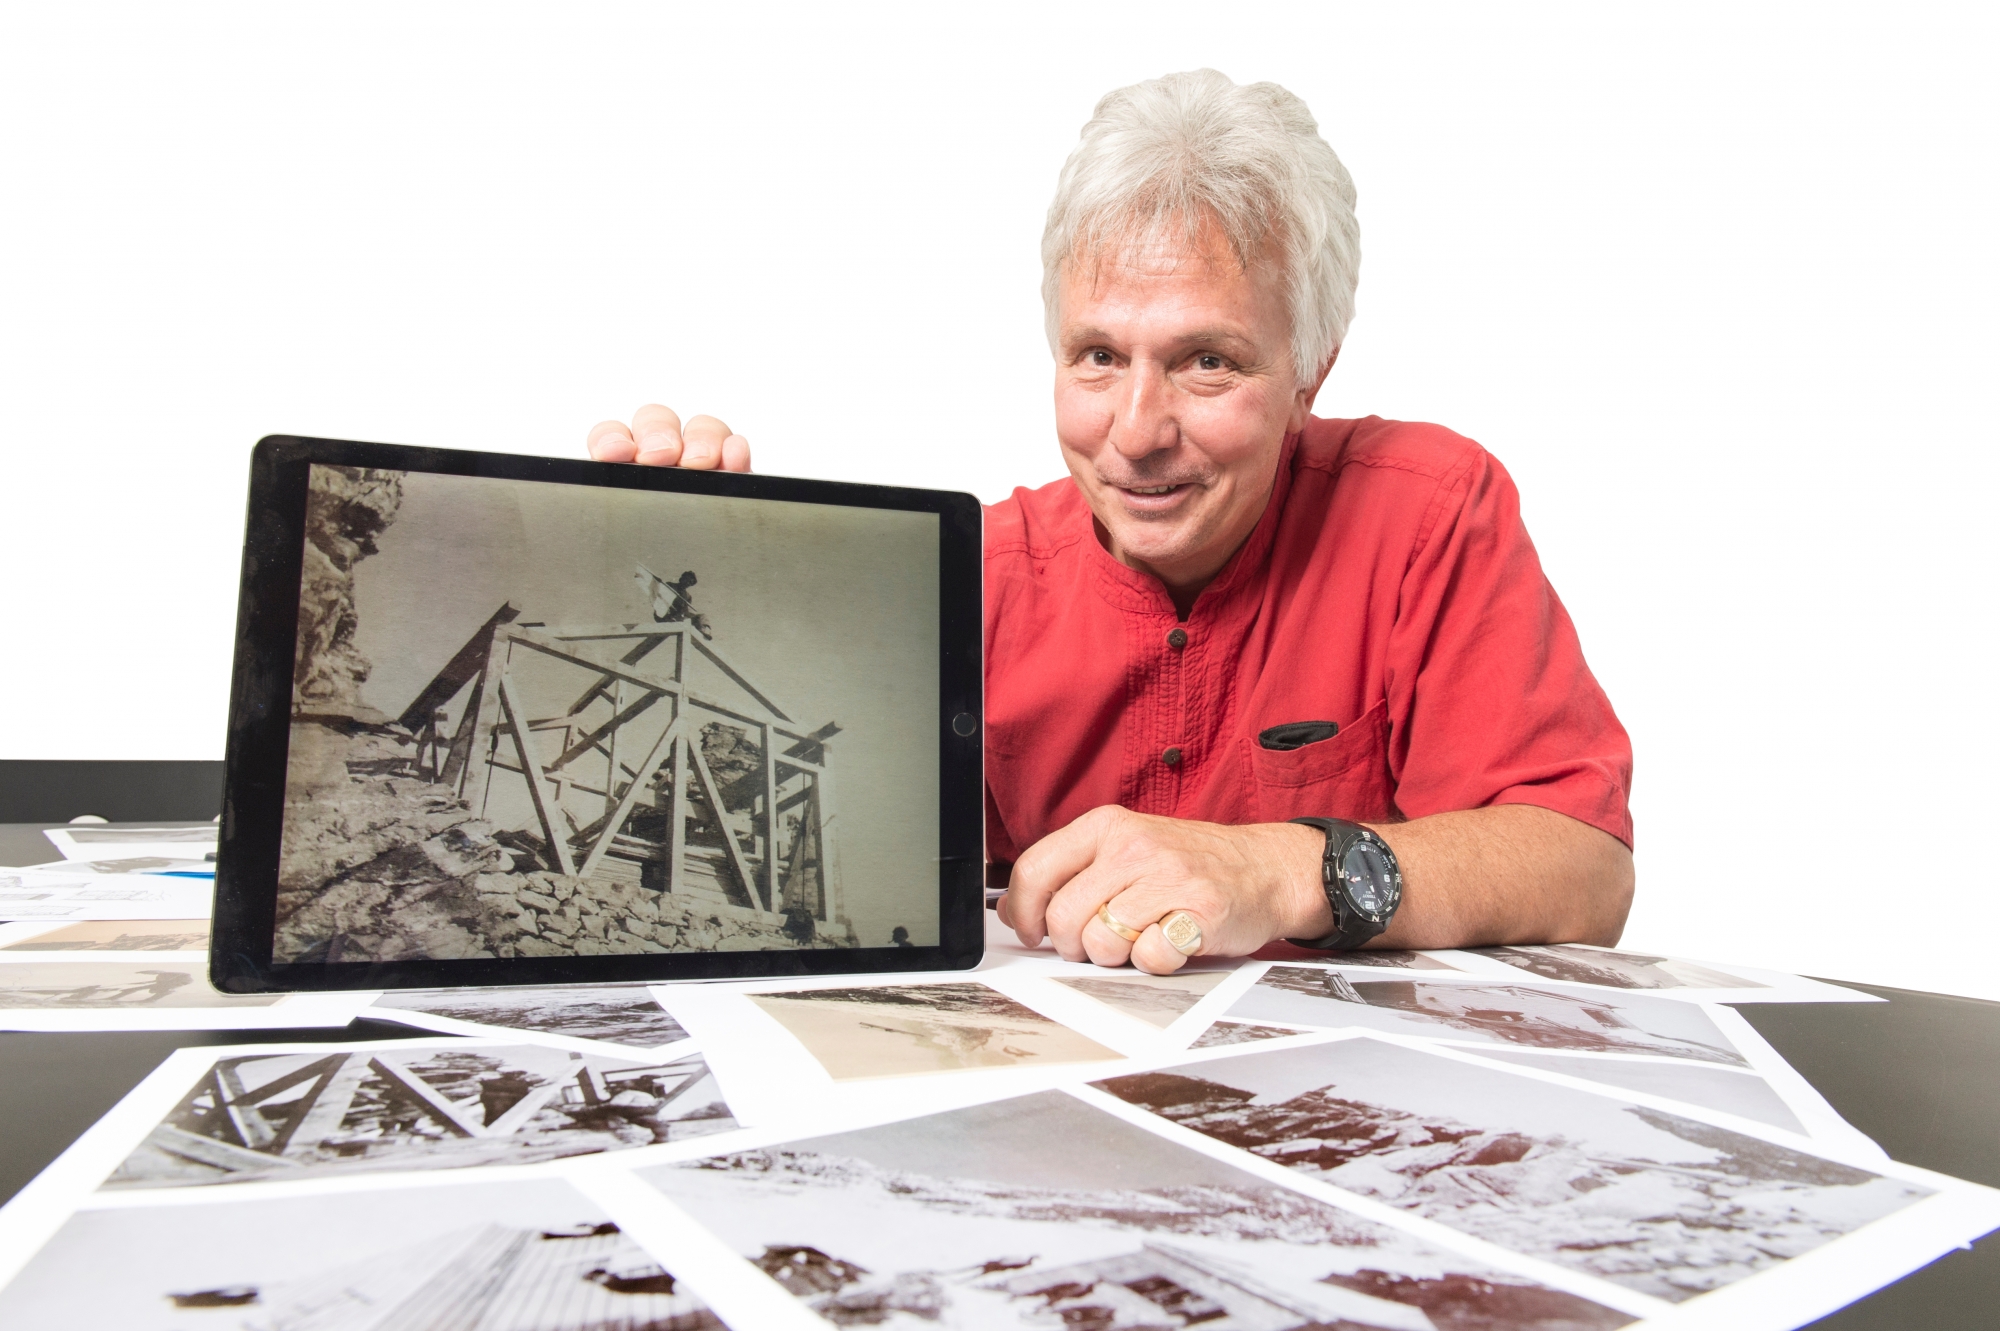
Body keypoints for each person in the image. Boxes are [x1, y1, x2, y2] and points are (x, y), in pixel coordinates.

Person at [586, 70, 1634, 976]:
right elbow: (779, 849)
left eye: (1205, 360)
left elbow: (1584, 870)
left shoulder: (1425, 512)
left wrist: (1276, 866)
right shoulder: (980, 577)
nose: (1133, 433)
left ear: (1310, 369)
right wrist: (690, 568)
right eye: (1097, 355)